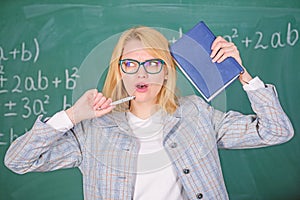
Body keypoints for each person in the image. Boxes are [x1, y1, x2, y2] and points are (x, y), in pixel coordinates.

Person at [5, 26, 294, 200]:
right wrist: (70, 116)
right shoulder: (92, 132)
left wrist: (242, 74)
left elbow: (276, 131)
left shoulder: (197, 114)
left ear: (167, 72)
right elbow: (18, 161)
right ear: (119, 72)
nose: (141, 72)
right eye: (130, 64)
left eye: (153, 63)